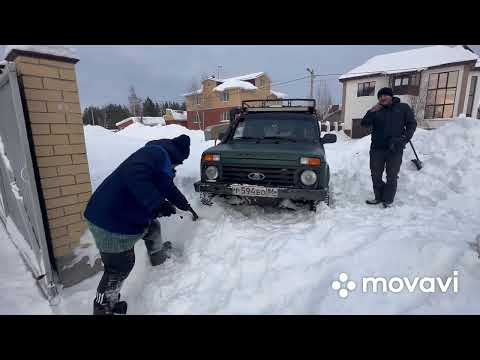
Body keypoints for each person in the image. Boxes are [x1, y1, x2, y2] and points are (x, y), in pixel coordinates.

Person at [83, 134, 193, 315]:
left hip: (124, 215)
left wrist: (185, 205)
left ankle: (159, 260)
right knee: (119, 267)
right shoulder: (154, 154)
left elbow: (168, 188)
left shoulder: (160, 161)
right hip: (109, 220)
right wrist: (157, 204)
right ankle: (103, 308)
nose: (177, 167)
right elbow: (134, 174)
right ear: (176, 157)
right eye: (178, 163)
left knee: (153, 228)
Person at [361, 87, 417, 208]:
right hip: (377, 148)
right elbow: (364, 124)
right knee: (375, 175)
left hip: (395, 148)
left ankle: (387, 200)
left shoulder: (403, 108)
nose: (382, 98)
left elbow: (412, 124)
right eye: (380, 96)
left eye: (385, 95)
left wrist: (404, 139)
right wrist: (371, 111)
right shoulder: (377, 110)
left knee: (392, 176)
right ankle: (378, 197)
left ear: (391, 96)